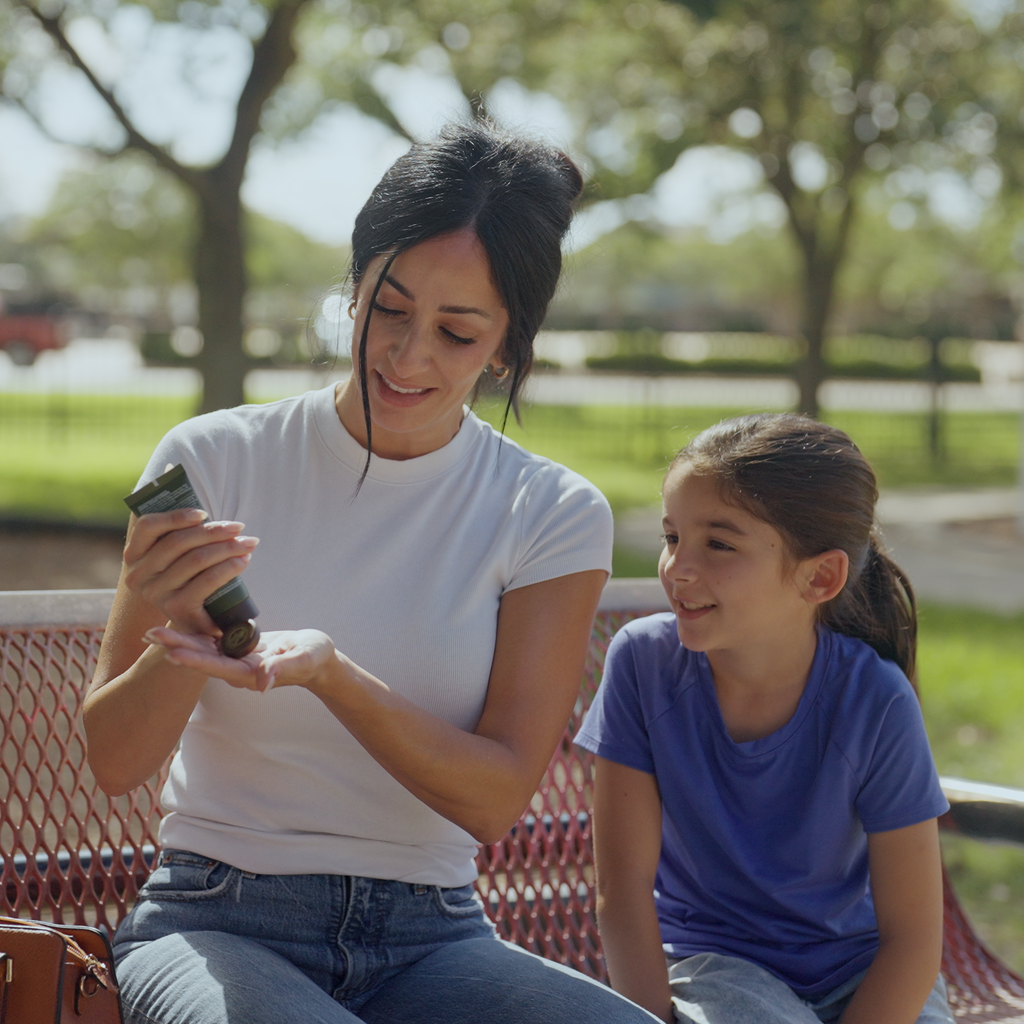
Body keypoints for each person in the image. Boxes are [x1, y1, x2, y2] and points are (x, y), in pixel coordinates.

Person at [84, 122, 659, 1024]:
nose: (408, 354)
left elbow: (496, 798)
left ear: (508, 346)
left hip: (435, 940)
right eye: (389, 308)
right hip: (213, 920)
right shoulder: (215, 457)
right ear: (353, 287)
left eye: (458, 332)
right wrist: (184, 633)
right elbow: (114, 760)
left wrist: (330, 675)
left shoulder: (550, 512)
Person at [575, 413, 954, 1024]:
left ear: (820, 576)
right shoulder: (642, 665)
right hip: (719, 969)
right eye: (673, 537)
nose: (678, 568)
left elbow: (911, 940)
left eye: (718, 544)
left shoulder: (875, 700)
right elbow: (621, 896)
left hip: (864, 975)